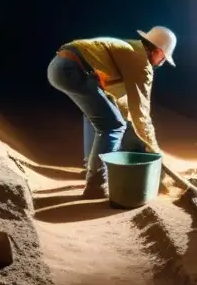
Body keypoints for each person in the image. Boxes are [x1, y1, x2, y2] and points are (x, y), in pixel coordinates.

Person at [48, 27, 177, 199]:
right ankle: (97, 185)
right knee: (114, 126)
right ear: (159, 51)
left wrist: (133, 128)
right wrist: (154, 150)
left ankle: (91, 168)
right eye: (164, 58)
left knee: (98, 117)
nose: (162, 62)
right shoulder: (141, 64)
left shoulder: (128, 49)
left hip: (59, 66)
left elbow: (120, 99)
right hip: (73, 70)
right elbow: (142, 114)